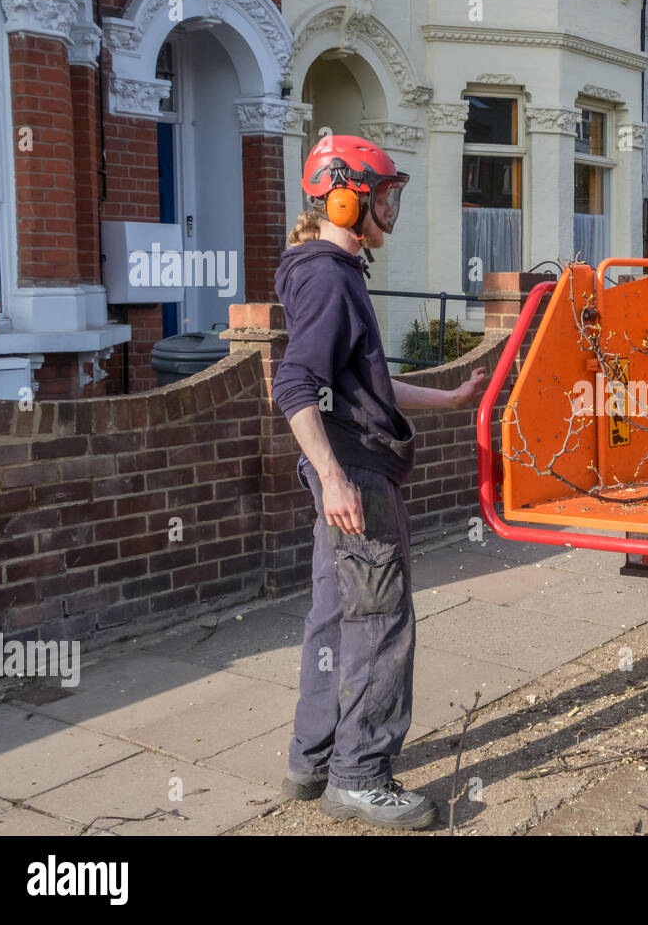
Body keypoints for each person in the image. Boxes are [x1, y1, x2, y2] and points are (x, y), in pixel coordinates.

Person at [270, 134, 487, 831]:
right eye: (382, 196)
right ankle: (360, 776)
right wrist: (334, 479)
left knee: (335, 619)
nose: (389, 209)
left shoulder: (326, 272)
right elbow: (296, 384)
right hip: (356, 478)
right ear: (343, 198)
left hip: (350, 468)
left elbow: (365, 385)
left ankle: (312, 760)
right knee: (380, 625)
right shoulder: (330, 278)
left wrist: (447, 399)